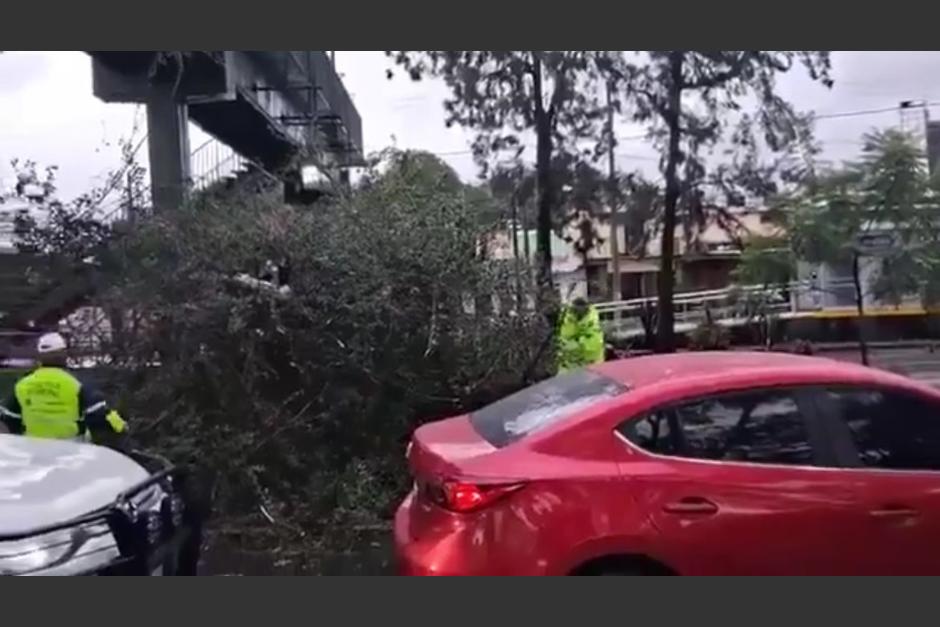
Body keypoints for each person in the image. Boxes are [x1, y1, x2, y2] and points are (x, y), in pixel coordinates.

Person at [0, 332, 128, 446]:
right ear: (63, 355)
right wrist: (121, 427)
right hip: (71, 452)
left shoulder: (22, 385)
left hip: (34, 452)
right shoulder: (76, 383)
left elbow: (9, 418)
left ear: (40, 358)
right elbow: (99, 415)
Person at [556, 297, 605, 374]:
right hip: (568, 365)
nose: (578, 312)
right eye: (575, 310)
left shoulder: (592, 322)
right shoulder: (566, 318)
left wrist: (577, 343)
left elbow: (594, 344)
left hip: (589, 366)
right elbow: (562, 335)